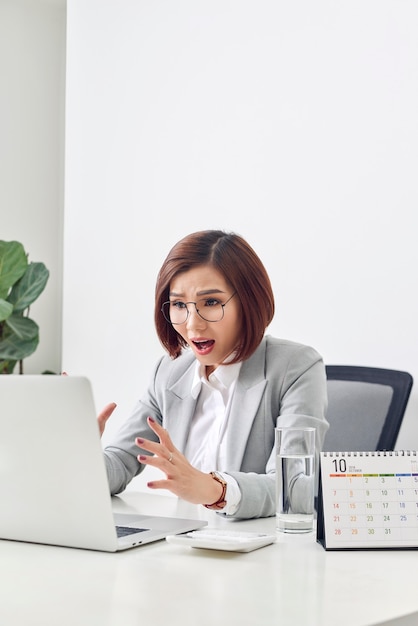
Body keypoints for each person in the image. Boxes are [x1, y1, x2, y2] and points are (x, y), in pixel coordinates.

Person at [101, 230, 329, 519]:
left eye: (211, 302)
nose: (193, 325)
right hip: (180, 544)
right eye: (179, 305)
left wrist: (215, 490)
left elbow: (293, 490)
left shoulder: (295, 368)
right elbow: (120, 461)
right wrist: (78, 456)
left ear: (248, 302)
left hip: (255, 554)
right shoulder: (169, 372)